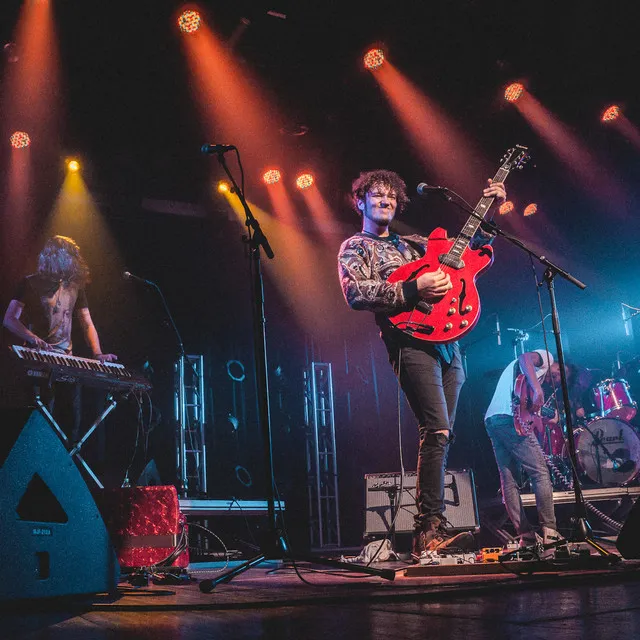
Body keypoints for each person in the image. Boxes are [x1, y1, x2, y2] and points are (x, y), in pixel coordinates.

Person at [337, 169, 506, 560]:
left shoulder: (413, 242)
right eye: (377, 196)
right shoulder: (356, 246)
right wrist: (415, 288)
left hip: (449, 340)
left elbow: (471, 252)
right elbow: (355, 293)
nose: (385, 202)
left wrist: (490, 213)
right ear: (360, 202)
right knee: (437, 427)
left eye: (391, 198)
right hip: (409, 339)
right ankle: (428, 527)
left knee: (444, 434)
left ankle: (431, 526)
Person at [3, 235, 117, 440]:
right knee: (43, 416)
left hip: (67, 359)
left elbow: (87, 322)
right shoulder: (30, 283)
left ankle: (66, 463)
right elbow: (10, 319)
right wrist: (32, 339)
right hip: (40, 358)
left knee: (73, 419)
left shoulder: (75, 287)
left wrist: (98, 353)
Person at [484, 349, 566, 550]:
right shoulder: (546, 357)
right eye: (556, 375)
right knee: (540, 472)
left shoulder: (521, 377)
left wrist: (542, 415)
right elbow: (525, 357)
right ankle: (550, 530)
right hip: (509, 420)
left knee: (508, 480)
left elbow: (524, 408)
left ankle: (526, 535)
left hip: (492, 419)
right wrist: (538, 390)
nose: (553, 381)